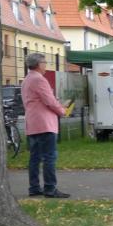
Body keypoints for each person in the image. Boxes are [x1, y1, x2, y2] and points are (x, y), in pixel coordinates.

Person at [20, 53, 70, 198]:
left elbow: (38, 100)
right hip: (44, 123)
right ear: (38, 64)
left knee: (35, 157)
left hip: (33, 122)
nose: (46, 65)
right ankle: (50, 188)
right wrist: (62, 110)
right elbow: (49, 101)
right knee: (49, 157)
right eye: (44, 62)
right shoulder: (39, 79)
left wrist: (55, 101)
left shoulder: (26, 79)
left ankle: (34, 187)